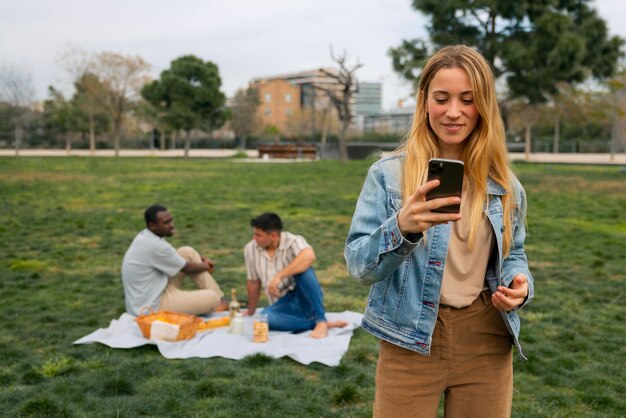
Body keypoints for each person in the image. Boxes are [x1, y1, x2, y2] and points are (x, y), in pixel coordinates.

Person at [344, 45, 534, 418]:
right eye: (441, 98)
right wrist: (402, 227)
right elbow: (357, 265)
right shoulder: (388, 176)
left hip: (486, 338)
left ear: (484, 105)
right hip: (409, 338)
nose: (453, 112)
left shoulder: (506, 185)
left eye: (468, 99)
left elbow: (514, 254)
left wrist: (519, 283)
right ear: (424, 101)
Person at [243, 212, 348, 338]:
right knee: (266, 318)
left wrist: (279, 277)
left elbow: (309, 256)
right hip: (281, 304)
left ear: (273, 235)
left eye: (258, 235)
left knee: (303, 269)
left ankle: (321, 319)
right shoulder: (250, 248)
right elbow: (253, 282)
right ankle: (317, 324)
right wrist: (251, 310)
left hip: (303, 296)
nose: (254, 238)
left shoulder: (293, 240)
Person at [121, 204, 228, 316]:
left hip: (156, 290)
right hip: (152, 306)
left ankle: (219, 300)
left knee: (187, 252)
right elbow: (187, 268)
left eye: (171, 220)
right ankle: (217, 300)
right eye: (166, 223)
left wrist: (201, 260)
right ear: (152, 225)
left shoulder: (145, 236)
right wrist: (206, 265)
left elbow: (174, 259)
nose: (172, 225)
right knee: (211, 297)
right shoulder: (155, 245)